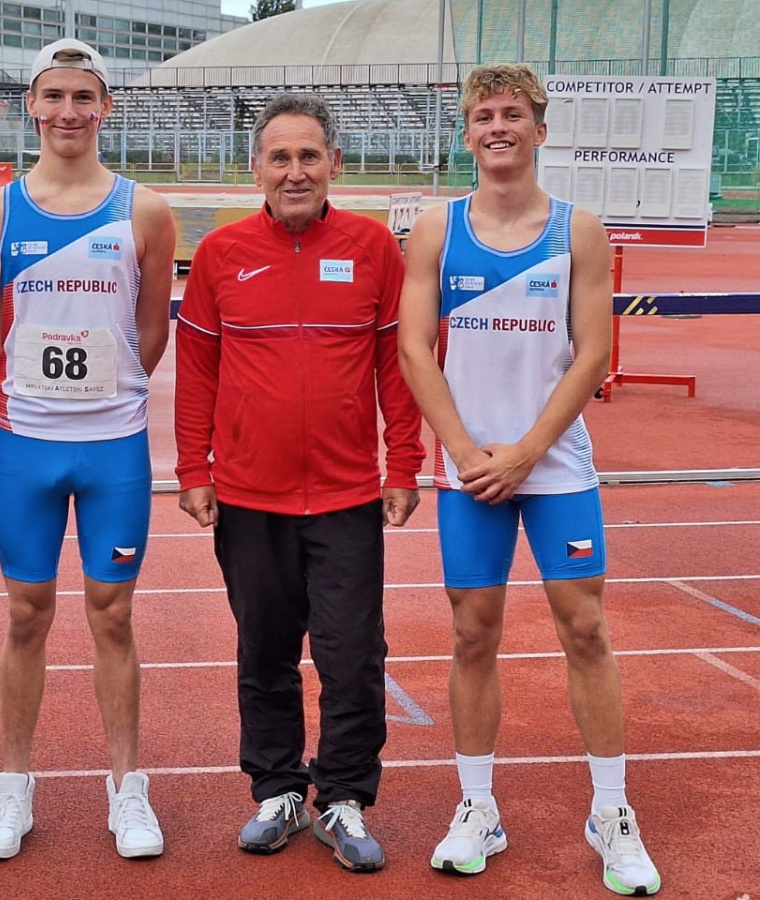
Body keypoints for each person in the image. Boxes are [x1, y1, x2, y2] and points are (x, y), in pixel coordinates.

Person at [397, 63, 661, 896]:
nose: (497, 126)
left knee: (585, 629)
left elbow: (594, 354)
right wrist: (467, 451)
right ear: (468, 133)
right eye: (483, 115)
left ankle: (611, 812)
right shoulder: (438, 229)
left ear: (539, 131)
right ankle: (478, 807)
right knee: (473, 633)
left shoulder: (577, 229)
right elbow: (413, 348)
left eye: (512, 113)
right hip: (467, 469)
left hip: (555, 466)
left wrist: (524, 452)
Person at [174, 93, 424, 873]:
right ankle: (278, 789)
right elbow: (197, 370)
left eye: (308, 155)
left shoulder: (375, 247)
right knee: (265, 653)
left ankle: (343, 796)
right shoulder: (220, 254)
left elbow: (398, 365)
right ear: (256, 168)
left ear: (334, 165)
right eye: (279, 157)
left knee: (354, 655)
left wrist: (404, 464)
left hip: (349, 496)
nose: (294, 171)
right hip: (249, 497)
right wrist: (193, 468)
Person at [0, 38, 176, 861]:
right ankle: (12, 788)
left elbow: (151, 332)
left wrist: (107, 390)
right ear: (32, 107)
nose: (68, 112)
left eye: (84, 97)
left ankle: (128, 788)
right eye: (53, 96)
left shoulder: (144, 211)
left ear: (105, 108)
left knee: (112, 614)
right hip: (26, 449)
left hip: (115, 444)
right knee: (26, 615)